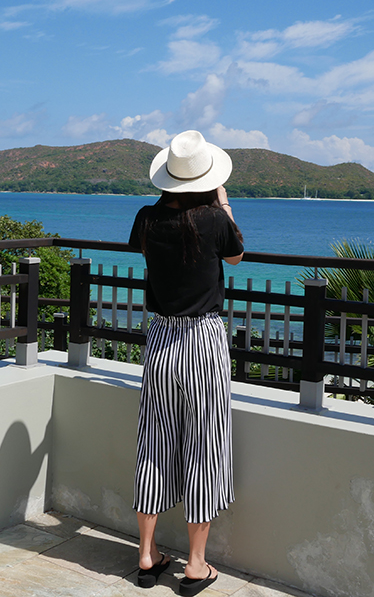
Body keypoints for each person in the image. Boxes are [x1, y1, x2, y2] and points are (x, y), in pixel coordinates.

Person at [128, 130, 244, 595]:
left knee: (153, 443)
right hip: (203, 340)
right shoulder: (214, 220)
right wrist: (224, 203)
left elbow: (150, 254)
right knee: (205, 445)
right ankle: (196, 564)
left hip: (160, 337)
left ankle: (146, 555)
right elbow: (235, 257)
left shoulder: (146, 218)